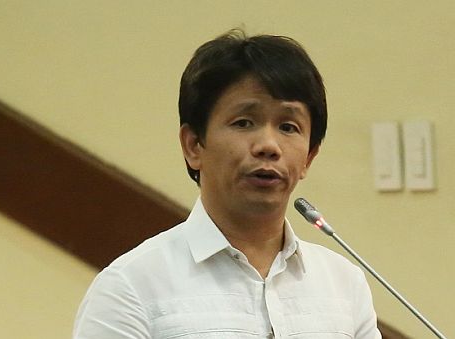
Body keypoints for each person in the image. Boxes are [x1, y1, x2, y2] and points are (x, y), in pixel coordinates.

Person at [73, 28, 381, 338]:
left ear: (309, 157)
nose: (268, 145)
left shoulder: (345, 286)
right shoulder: (131, 288)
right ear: (194, 145)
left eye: (288, 126)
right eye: (244, 123)